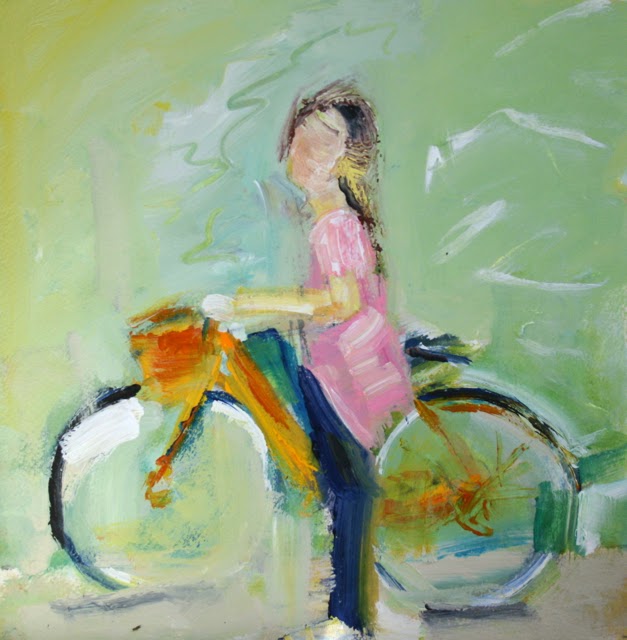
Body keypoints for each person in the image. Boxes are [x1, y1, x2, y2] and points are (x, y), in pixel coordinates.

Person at [202, 81, 415, 636]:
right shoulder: (324, 218)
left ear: (350, 157)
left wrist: (250, 304)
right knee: (337, 482)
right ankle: (348, 607)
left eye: (324, 140)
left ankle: (350, 618)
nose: (304, 149)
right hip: (328, 364)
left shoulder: (336, 223)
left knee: (348, 489)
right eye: (301, 136)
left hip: (349, 373)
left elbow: (339, 302)